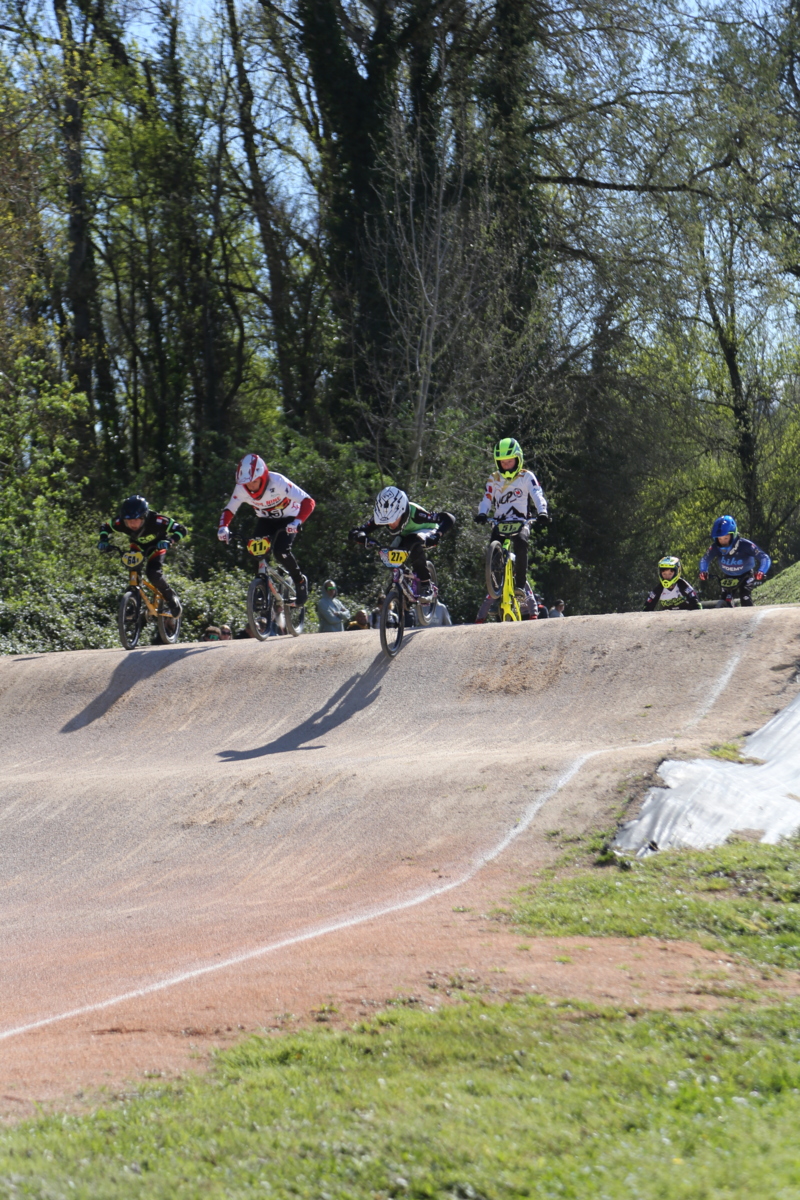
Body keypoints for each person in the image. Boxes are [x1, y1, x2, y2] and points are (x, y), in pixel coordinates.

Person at [217, 454, 314, 605]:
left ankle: (300, 581)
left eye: (254, 481)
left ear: (263, 477)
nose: (250, 486)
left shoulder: (278, 481)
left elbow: (308, 501)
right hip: (266, 520)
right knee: (255, 551)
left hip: (289, 518)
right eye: (247, 483)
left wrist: (297, 522)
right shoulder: (241, 488)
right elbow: (230, 509)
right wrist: (223, 527)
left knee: (281, 552)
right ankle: (261, 586)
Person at [473, 438, 549, 602]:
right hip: (500, 522)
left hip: (521, 521)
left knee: (521, 543)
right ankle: (495, 594)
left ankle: (520, 586)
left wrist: (542, 511)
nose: (506, 465)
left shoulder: (526, 476)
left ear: (518, 459)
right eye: (503, 462)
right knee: (493, 554)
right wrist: (482, 513)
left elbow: (537, 494)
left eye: (510, 461)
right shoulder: (494, 478)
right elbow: (487, 498)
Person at [349, 486, 455, 597]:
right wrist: (360, 537)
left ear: (402, 511)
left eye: (394, 518)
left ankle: (425, 584)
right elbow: (358, 530)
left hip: (426, 531)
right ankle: (405, 582)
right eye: (387, 521)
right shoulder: (382, 515)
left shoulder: (416, 513)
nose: (391, 524)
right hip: (406, 535)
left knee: (413, 541)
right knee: (389, 554)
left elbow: (449, 518)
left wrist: (437, 535)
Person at [99, 495, 186, 617]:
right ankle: (134, 601)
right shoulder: (120, 522)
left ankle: (171, 598)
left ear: (144, 517)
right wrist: (103, 540)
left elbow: (182, 529)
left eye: (135, 520)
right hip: (137, 546)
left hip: (157, 546)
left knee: (153, 574)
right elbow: (105, 527)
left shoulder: (157, 520)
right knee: (133, 572)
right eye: (128, 521)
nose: (132, 524)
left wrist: (170, 541)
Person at [699, 516, 770, 608]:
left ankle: (749, 615)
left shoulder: (746, 545)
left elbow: (764, 557)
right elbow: (705, 559)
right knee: (724, 598)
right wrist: (703, 571)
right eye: (719, 539)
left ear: (733, 535)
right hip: (728, 576)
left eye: (726, 538)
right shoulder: (715, 547)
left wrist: (761, 571)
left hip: (746, 575)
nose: (723, 542)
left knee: (745, 596)